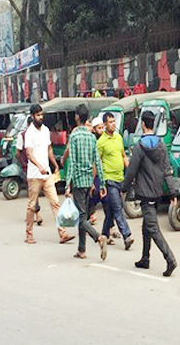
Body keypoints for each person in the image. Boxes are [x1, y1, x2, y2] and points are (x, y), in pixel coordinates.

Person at [123, 111, 179, 275]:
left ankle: (170, 259)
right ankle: (145, 259)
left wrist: (124, 189)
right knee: (146, 226)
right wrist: (172, 193)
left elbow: (131, 171)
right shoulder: (161, 145)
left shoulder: (140, 147)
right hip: (157, 192)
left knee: (152, 228)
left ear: (142, 124)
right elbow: (167, 171)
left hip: (145, 194)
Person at [24, 104, 74, 245]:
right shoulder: (29, 133)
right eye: (38, 115)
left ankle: (62, 232)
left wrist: (55, 164)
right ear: (32, 116)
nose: (41, 117)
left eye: (42, 114)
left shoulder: (45, 130)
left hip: (47, 174)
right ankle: (29, 234)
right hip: (34, 175)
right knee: (32, 205)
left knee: (55, 203)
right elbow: (29, 153)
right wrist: (39, 166)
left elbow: (49, 149)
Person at [64, 104, 108, 261]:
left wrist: (67, 183)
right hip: (89, 181)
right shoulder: (91, 137)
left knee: (81, 218)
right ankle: (81, 249)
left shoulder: (74, 136)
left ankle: (98, 238)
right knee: (83, 214)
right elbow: (97, 161)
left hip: (78, 181)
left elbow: (72, 162)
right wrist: (101, 183)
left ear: (77, 117)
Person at [97, 111, 134, 250]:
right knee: (118, 208)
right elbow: (97, 162)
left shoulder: (118, 138)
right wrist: (99, 183)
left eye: (114, 121)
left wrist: (131, 170)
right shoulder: (101, 142)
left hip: (120, 178)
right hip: (109, 180)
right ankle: (127, 235)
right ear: (105, 124)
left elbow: (123, 155)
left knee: (112, 210)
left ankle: (104, 235)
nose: (113, 124)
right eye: (110, 122)